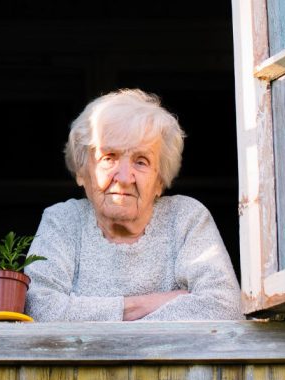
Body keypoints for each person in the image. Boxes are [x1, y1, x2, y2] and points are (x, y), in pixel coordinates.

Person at [25, 89, 243, 321]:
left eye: (141, 161)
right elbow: (40, 309)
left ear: (160, 180)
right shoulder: (63, 220)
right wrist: (142, 305)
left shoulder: (185, 218)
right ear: (82, 171)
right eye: (109, 158)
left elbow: (224, 307)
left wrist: (93, 321)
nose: (125, 177)